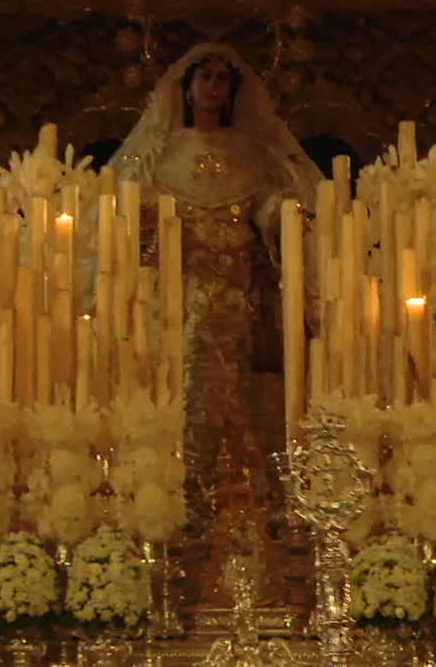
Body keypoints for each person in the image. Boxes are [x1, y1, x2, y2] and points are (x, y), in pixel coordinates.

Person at [110, 43, 325, 618]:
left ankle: (254, 523)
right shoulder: (160, 151)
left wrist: (281, 214)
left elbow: (269, 203)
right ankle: (179, 519)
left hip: (238, 302)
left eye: (221, 78)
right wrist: (147, 222)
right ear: (184, 88)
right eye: (203, 76)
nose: (212, 86)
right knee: (181, 402)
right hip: (172, 304)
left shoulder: (252, 151)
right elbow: (126, 215)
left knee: (245, 407)